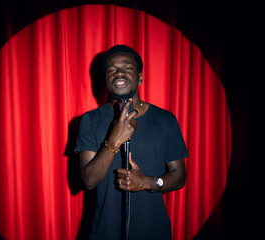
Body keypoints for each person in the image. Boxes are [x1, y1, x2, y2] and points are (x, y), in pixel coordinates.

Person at [75, 45, 189, 240]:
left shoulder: (166, 120)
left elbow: (179, 176)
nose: (119, 72)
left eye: (127, 67)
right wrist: (114, 141)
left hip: (154, 233)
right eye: (111, 69)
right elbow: (89, 180)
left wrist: (147, 182)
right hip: (104, 234)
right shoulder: (90, 120)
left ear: (140, 77)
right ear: (106, 80)